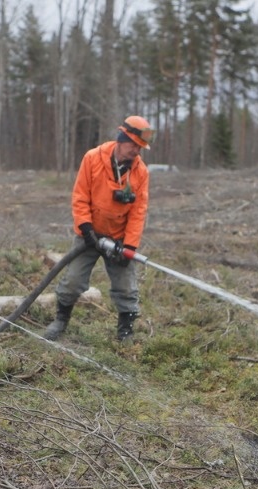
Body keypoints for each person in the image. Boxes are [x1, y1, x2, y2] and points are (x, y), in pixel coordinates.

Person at [44, 116, 154, 342]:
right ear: (121, 139)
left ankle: (126, 332)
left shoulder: (140, 172)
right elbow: (80, 196)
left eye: (140, 147)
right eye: (133, 145)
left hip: (119, 238)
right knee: (72, 280)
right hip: (89, 235)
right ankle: (61, 320)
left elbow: (138, 211)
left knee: (126, 287)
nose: (136, 150)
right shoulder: (93, 158)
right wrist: (86, 228)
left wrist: (130, 246)